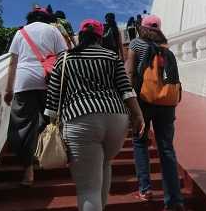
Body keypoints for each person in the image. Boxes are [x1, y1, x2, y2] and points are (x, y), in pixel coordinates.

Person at [45, 19, 145, 211]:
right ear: (100, 37)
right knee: (105, 163)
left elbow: (53, 97)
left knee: (88, 189)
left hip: (80, 117)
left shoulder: (65, 59)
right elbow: (126, 89)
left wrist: (51, 124)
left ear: (79, 36)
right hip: (117, 118)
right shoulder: (111, 56)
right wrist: (138, 114)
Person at [125, 15, 185, 210]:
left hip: (144, 102)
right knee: (166, 148)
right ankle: (174, 201)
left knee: (140, 143)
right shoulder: (165, 48)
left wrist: (129, 101)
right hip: (167, 104)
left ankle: (145, 189)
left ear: (141, 28)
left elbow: (130, 72)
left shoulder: (136, 44)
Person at [4, 7, 67, 186]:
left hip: (24, 81)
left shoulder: (20, 33)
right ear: (47, 18)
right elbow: (63, 57)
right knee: (50, 121)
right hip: (49, 79)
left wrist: (9, 89)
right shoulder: (53, 30)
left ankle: (28, 170)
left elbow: (12, 63)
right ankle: (51, 157)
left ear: (29, 18)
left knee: (22, 125)